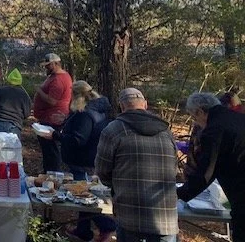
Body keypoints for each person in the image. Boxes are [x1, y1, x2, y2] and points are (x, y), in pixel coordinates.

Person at [95, 88, 178, 242]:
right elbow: (174, 168)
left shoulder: (113, 130)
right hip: (165, 217)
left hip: (129, 215)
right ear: (145, 105)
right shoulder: (166, 131)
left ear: (122, 106)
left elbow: (102, 170)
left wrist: (117, 185)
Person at [41, 80, 115, 242]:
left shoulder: (86, 114)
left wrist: (55, 135)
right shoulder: (95, 110)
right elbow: (80, 129)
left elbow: (78, 139)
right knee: (83, 196)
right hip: (87, 158)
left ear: (76, 96)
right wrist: (66, 120)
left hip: (82, 160)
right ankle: (83, 230)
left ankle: (106, 225)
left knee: (82, 199)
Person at [177, 92, 245, 241]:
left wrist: (179, 193)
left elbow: (206, 173)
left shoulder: (214, 130)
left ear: (200, 112)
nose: (196, 123)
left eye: (195, 118)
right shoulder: (239, 118)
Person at [33, 53, 72, 172]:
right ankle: (48, 172)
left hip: (52, 119)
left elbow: (52, 101)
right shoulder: (53, 76)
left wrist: (39, 91)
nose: (46, 67)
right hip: (47, 117)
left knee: (51, 150)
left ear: (56, 64)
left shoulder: (59, 80)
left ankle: (52, 173)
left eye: (48, 65)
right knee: (47, 150)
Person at [0, 68, 31, 139]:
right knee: (12, 148)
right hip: (14, 125)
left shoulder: (0, 91)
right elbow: (27, 114)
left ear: (8, 80)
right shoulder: (23, 94)